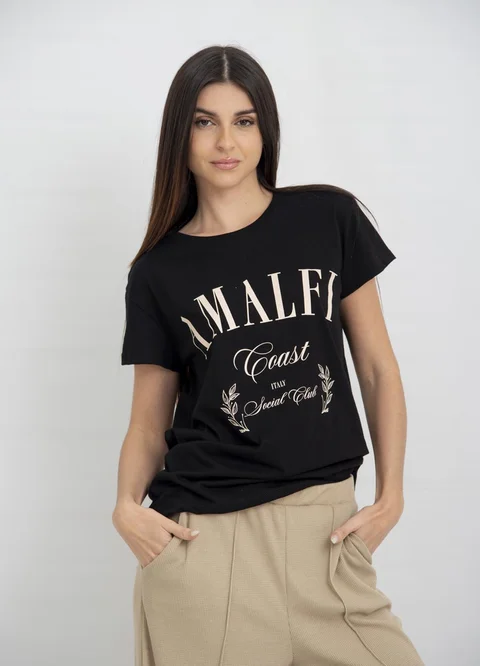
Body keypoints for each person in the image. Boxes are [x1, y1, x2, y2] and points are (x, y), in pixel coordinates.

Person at [112, 44, 425, 666]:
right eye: (205, 122)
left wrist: (391, 495)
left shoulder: (327, 218)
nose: (226, 141)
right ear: (180, 135)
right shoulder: (157, 272)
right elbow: (148, 422)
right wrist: (125, 508)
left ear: (266, 129)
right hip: (206, 548)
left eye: (244, 120)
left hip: (327, 536)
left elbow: (376, 369)